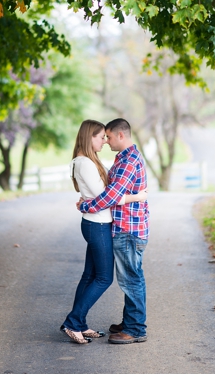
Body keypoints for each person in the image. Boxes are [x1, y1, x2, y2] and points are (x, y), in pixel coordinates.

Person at [61, 120, 147, 345]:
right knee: (103, 278)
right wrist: (136, 197)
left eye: (107, 137)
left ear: (120, 135)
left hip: (111, 225)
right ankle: (74, 323)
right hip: (98, 224)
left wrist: (87, 204)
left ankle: (81, 323)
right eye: (101, 137)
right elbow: (107, 197)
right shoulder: (87, 162)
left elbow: (106, 195)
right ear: (90, 137)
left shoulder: (111, 160)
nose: (105, 141)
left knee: (105, 277)